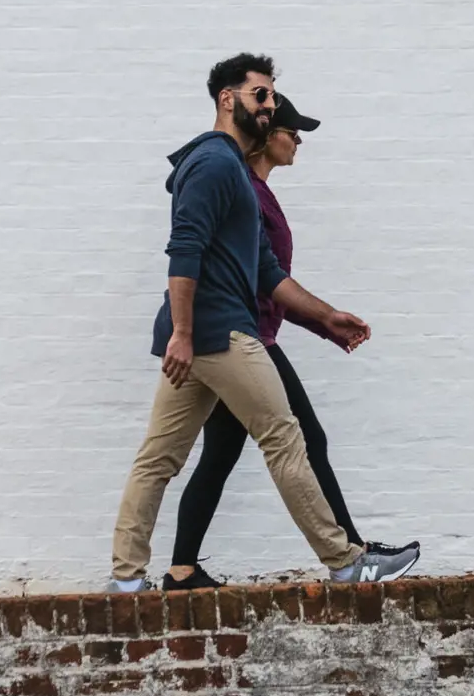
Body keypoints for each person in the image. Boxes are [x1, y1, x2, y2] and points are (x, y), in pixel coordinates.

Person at [108, 54, 422, 592]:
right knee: (284, 436)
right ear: (227, 99)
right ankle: (346, 561)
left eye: (272, 97)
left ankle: (126, 580)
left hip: (202, 337)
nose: (270, 106)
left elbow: (268, 272)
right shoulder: (212, 162)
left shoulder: (232, 171)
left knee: (159, 458)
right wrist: (183, 334)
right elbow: (184, 251)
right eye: (260, 95)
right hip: (219, 334)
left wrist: (327, 318)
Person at [162, 91, 386, 589]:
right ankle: (354, 555)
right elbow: (259, 277)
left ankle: (181, 569)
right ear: (266, 138)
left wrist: (322, 322)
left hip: (245, 334)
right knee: (306, 439)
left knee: (219, 455)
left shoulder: (259, 193)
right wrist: (321, 320)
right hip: (245, 338)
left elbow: (269, 277)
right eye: (291, 130)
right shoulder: (249, 193)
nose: (298, 139)